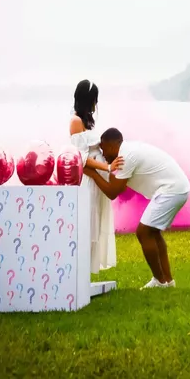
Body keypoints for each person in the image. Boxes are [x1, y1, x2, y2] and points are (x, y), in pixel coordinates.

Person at [84, 128, 190, 289]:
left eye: (103, 149)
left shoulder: (125, 157)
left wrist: (92, 173)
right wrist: (106, 168)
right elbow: (114, 181)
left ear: (112, 146)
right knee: (153, 232)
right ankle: (167, 281)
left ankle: (160, 281)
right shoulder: (126, 151)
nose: (102, 154)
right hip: (177, 188)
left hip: (171, 190)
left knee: (144, 232)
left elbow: (113, 192)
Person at [69, 80, 122, 274]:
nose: (95, 104)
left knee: (96, 220)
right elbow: (81, 157)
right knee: (88, 221)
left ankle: (88, 270)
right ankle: (80, 269)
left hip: (97, 179)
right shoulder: (75, 121)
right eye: (94, 100)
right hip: (89, 180)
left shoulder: (87, 122)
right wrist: (106, 167)